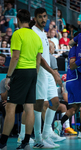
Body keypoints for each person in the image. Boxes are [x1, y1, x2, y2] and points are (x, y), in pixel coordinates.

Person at [0, 9, 43, 150]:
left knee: (11, 107)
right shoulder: (36, 36)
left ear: (18, 19)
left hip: (20, 71)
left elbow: (15, 57)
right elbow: (38, 61)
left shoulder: (18, 34)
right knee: (29, 107)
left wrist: (8, 77)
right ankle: (25, 143)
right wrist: (34, 75)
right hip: (32, 73)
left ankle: (3, 143)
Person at [32, 8, 64, 149]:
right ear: (35, 18)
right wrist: (54, 72)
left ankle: (46, 134)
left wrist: (52, 73)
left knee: (55, 102)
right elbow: (39, 59)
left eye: (45, 16)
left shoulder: (43, 32)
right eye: (40, 17)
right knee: (39, 105)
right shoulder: (34, 32)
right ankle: (38, 138)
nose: (43, 19)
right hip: (41, 72)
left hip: (48, 73)